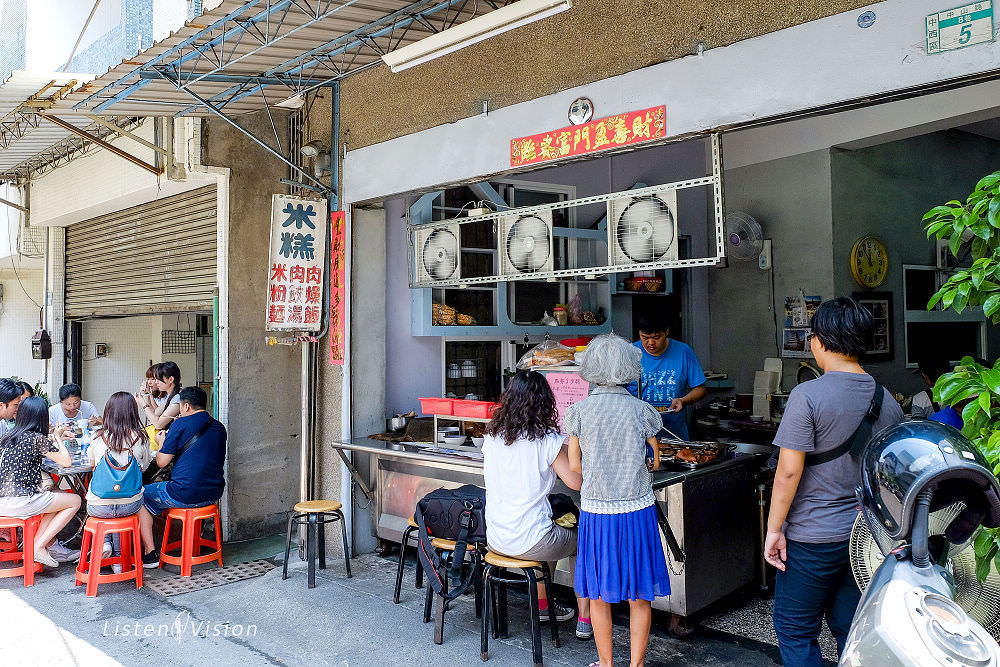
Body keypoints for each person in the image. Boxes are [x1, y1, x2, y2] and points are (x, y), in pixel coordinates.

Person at [764, 297, 904, 667]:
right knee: (850, 627)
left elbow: (788, 472)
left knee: (795, 630)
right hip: (863, 537)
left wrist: (774, 530)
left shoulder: (807, 396)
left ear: (820, 341)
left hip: (812, 537)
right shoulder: (887, 399)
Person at [565, 333, 670, 667]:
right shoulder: (643, 411)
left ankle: (607, 663)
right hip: (637, 510)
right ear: (629, 368)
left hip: (597, 512)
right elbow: (655, 457)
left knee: (598, 594)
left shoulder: (579, 412)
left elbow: (574, 465)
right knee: (640, 594)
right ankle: (636, 665)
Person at [482, 370, 592, 638]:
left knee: (548, 529)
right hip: (532, 541)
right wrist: (575, 446)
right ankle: (586, 620)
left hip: (496, 538)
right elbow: (576, 482)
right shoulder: (547, 441)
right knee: (584, 539)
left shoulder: (492, 436)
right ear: (544, 402)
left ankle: (543, 605)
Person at [138, 386, 226, 567]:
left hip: (184, 494)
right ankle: (192, 541)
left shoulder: (179, 424)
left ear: (185, 406)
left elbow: (162, 462)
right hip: (213, 494)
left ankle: (150, 553)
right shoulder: (219, 427)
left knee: (139, 495)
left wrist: (160, 442)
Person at [0, 396, 82, 567]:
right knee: (75, 500)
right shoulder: (36, 438)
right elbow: (66, 462)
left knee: (55, 497)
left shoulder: (8, 437)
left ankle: (38, 545)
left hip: (3, 501)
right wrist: (59, 438)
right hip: (21, 501)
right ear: (42, 417)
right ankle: (38, 545)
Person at [86, 392, 154, 563]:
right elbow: (144, 467)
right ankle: (119, 558)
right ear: (133, 412)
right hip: (130, 505)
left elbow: (91, 463)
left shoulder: (98, 437)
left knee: (108, 506)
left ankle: (106, 543)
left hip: (98, 506)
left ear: (109, 411)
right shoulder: (141, 438)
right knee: (125, 503)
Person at [626, 311, 706, 440]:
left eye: (656, 337)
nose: (651, 343)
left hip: (674, 434)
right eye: (645, 337)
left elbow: (700, 389)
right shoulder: (629, 353)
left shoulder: (684, 352)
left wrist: (682, 400)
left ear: (667, 332)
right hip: (638, 435)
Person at [136, 362, 182, 431]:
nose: (156, 382)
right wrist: (146, 395)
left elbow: (158, 424)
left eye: (158, 379)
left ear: (171, 379)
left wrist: (143, 404)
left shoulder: (177, 398)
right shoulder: (171, 396)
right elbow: (155, 413)